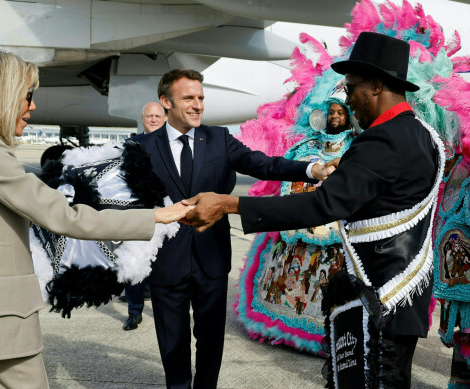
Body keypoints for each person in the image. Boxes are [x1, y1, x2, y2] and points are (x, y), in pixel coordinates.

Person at [184, 32, 443, 388]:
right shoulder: (422, 134)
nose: (348, 99)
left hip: (379, 295)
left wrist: (231, 203)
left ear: (377, 86)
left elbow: (323, 204)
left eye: (352, 88)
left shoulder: (381, 141)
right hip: (403, 295)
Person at [0, 49, 192, 389]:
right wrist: (157, 216)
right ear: (0, 96)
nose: (32, 106)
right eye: (27, 96)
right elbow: (64, 218)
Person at [132, 68, 334, 389]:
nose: (198, 105)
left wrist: (310, 169)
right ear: (165, 102)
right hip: (166, 260)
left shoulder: (218, 139)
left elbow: (265, 164)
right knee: (172, 342)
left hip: (210, 259)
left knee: (211, 339)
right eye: (188, 98)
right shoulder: (141, 146)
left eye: (201, 98)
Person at [121, 102, 166, 331]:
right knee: (134, 264)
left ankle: (164, 312)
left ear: (165, 117)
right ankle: (134, 312)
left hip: (167, 211)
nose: (154, 119)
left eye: (158, 116)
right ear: (143, 118)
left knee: (164, 266)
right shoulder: (133, 145)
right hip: (139, 211)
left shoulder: (174, 145)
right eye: (149, 116)